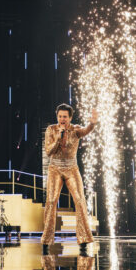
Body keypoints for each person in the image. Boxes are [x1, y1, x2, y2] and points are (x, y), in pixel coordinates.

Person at [41, 103, 98, 256]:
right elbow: (48, 151)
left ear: (70, 118)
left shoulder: (75, 129)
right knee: (51, 200)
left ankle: (84, 238)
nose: (62, 119)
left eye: (65, 117)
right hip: (55, 168)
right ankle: (46, 240)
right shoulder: (51, 130)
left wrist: (92, 123)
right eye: (60, 116)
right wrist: (58, 138)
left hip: (72, 168)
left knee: (79, 200)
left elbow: (85, 131)